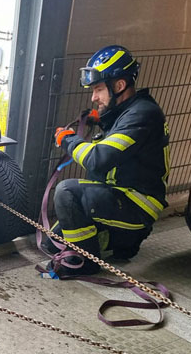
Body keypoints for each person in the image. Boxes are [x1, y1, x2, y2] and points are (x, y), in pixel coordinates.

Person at [46, 45, 170, 276]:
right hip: (119, 195)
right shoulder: (129, 110)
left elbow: (98, 159)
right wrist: (100, 118)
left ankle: (85, 262)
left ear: (119, 85)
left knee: (67, 192)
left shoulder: (142, 114)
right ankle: (120, 243)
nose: (94, 98)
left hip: (137, 203)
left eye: (99, 90)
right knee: (50, 243)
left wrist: (68, 140)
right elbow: (120, 132)